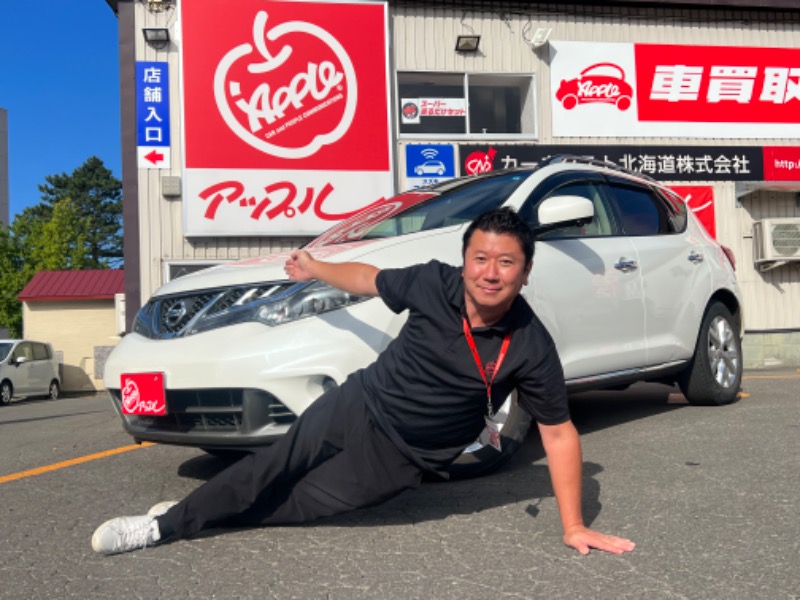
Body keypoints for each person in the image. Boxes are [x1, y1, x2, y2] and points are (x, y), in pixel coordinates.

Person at [92, 207, 635, 556]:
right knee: (276, 464)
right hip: (361, 401)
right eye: (480, 258)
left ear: (525, 272)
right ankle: (162, 528)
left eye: (506, 263)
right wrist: (315, 267)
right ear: (465, 261)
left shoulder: (531, 345)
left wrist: (573, 525)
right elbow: (367, 279)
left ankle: (201, 508)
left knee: (302, 506)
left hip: (405, 456)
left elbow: (558, 433)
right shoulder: (434, 282)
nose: (490, 273)